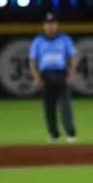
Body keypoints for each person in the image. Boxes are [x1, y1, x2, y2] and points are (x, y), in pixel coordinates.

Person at [29, 12, 77, 142]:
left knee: (65, 106)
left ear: (57, 25)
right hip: (46, 75)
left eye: (53, 24)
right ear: (44, 26)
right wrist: (37, 78)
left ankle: (71, 134)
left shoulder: (64, 39)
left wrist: (71, 74)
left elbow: (72, 57)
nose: (51, 27)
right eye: (48, 24)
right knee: (49, 107)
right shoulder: (38, 41)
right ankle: (53, 134)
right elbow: (33, 61)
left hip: (61, 73)